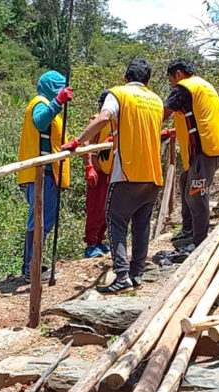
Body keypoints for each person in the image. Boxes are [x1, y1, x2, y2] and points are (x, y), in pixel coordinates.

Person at [63, 59, 165, 294]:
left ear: (125, 78)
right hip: (153, 175)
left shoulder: (117, 94)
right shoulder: (157, 100)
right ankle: (137, 274)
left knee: (116, 221)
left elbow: (104, 117)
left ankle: (122, 276)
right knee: (141, 226)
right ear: (147, 81)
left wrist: (77, 142)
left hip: (126, 172)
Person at [163, 58, 219, 251]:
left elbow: (164, 113)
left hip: (204, 149)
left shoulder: (184, 87)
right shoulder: (204, 86)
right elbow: (196, 117)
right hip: (215, 145)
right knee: (186, 180)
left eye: (171, 80)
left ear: (178, 74)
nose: (172, 85)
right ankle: (188, 229)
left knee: (196, 193)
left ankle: (199, 240)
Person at [17, 70, 73, 282]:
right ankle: (31, 265)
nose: (60, 91)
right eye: (58, 88)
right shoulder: (40, 102)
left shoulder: (48, 105)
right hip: (43, 173)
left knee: (42, 220)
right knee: (39, 220)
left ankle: (33, 263)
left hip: (48, 173)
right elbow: (40, 121)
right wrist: (58, 101)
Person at [82, 90, 114, 258]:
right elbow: (86, 143)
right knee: (95, 207)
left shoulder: (115, 121)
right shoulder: (96, 120)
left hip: (111, 171)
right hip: (98, 171)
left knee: (107, 208)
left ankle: (100, 239)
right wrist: (89, 167)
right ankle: (91, 243)